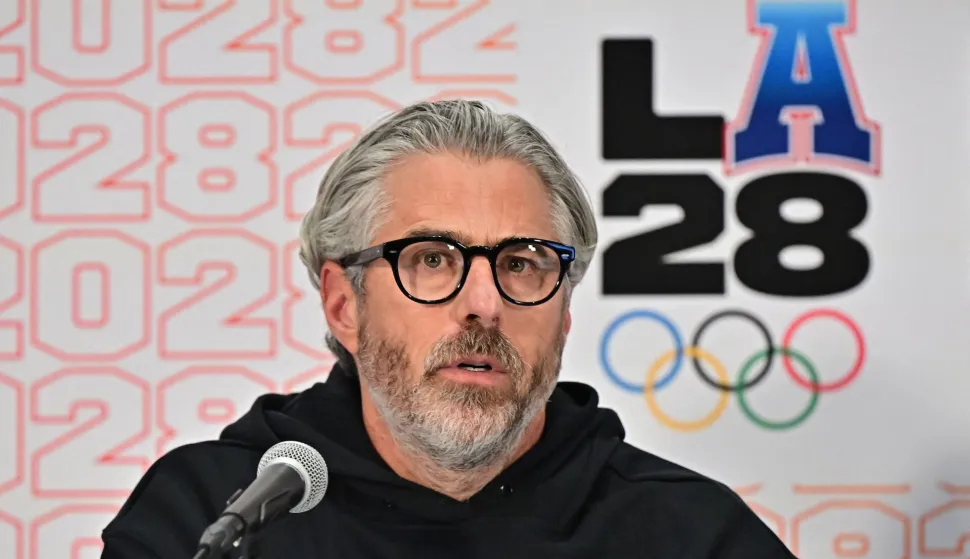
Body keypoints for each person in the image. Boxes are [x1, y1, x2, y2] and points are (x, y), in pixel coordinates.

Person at [100, 100, 796, 558]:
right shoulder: (212, 517)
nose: (484, 303)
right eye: (432, 259)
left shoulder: (690, 536)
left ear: (564, 313)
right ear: (343, 305)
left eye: (521, 263)